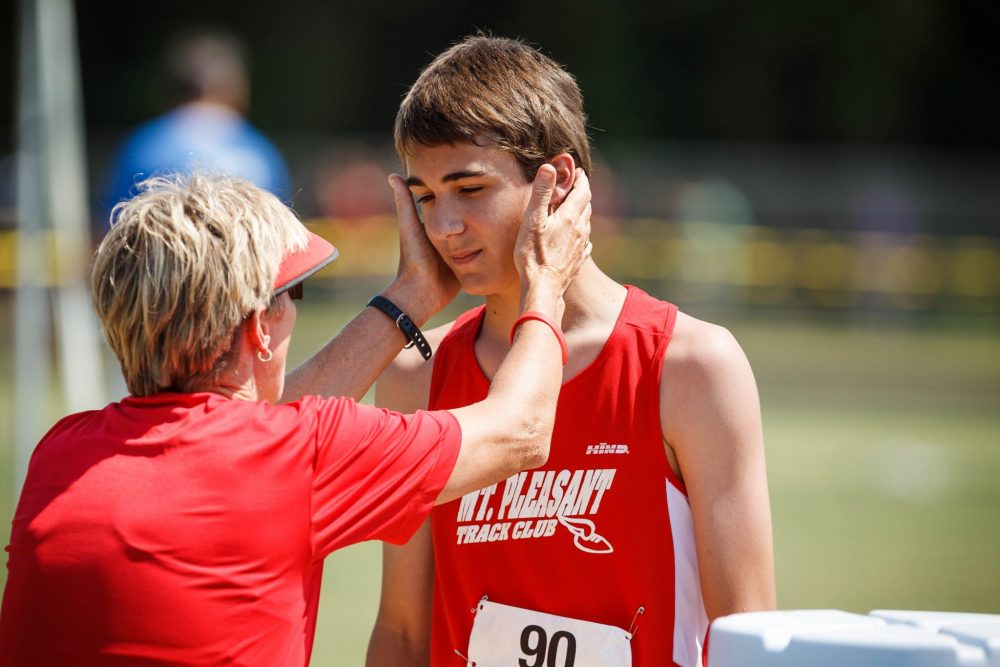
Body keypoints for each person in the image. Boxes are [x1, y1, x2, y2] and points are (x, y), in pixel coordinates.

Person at [0, 168, 592, 665]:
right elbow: (519, 432)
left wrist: (414, 293)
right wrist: (545, 283)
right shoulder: (296, 455)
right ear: (259, 327)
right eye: (292, 295)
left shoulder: (62, 453)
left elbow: (233, 427)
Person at [366, 36, 775, 667]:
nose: (442, 225)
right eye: (424, 197)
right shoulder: (415, 374)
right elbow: (402, 633)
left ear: (555, 183)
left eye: (469, 189)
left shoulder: (689, 367)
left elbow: (745, 638)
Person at [101, 30, 291, 227]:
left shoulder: (142, 146)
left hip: (157, 257)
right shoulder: (259, 152)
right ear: (236, 89)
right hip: (244, 257)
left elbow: (108, 231)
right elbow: (283, 235)